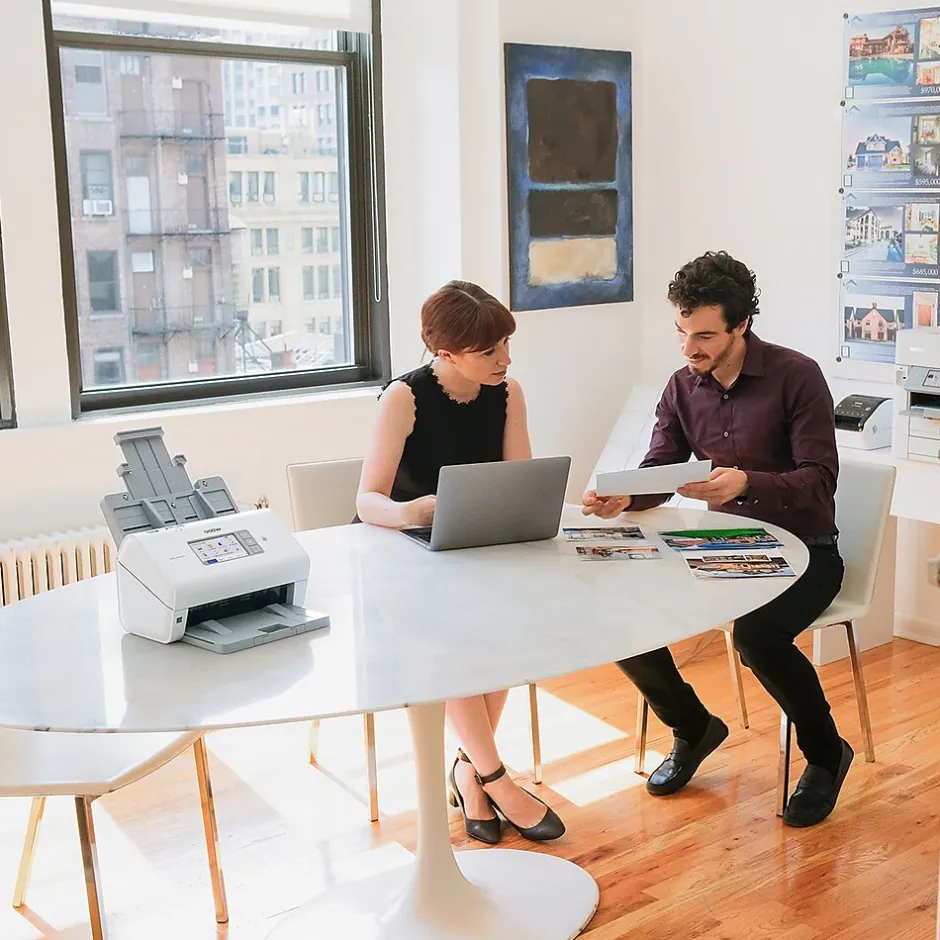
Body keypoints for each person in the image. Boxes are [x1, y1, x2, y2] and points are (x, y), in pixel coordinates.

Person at [583, 251, 852, 828]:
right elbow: (661, 469)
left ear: (741, 325)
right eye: (682, 332)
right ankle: (692, 726)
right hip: (722, 548)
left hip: (808, 552)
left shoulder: (797, 376)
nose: (689, 348)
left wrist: (747, 482)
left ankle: (827, 754)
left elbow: (819, 480)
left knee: (758, 638)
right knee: (616, 612)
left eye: (704, 335)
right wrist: (625, 497)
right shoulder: (683, 387)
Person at [356, 279, 565, 844]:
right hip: (401, 554)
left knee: (513, 627)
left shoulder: (508, 393)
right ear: (445, 353)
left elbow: (519, 482)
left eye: (506, 344)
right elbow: (367, 500)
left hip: (472, 546)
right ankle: (494, 778)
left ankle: (469, 772)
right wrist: (412, 511)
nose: (505, 359)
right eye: (489, 350)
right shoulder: (403, 397)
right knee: (451, 639)